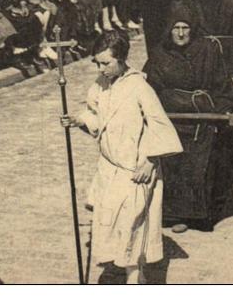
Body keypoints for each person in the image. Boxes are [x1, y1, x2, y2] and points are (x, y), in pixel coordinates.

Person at [60, 31, 182, 284]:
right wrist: (79, 119)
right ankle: (126, 269)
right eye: (98, 63)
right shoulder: (100, 84)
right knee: (114, 223)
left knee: (133, 224)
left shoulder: (139, 86)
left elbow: (159, 125)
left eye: (106, 63)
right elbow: (97, 118)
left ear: (122, 59)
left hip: (135, 168)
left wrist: (149, 161)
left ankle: (135, 278)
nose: (101, 68)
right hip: (109, 167)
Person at [143, 2, 233, 232]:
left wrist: (216, 112)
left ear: (193, 28)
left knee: (199, 167)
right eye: (176, 28)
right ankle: (174, 214)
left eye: (185, 27)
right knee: (173, 166)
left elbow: (223, 86)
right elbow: (149, 89)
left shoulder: (208, 50)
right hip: (172, 120)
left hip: (201, 121)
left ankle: (198, 216)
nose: (181, 33)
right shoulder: (159, 54)